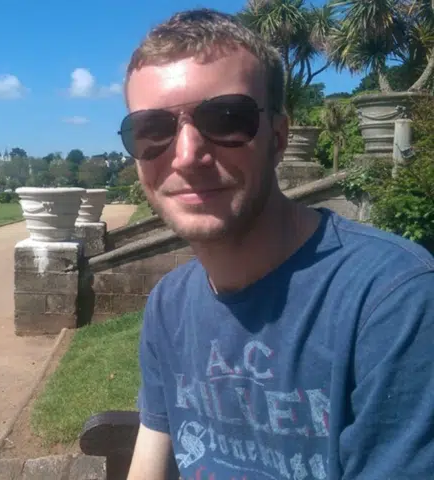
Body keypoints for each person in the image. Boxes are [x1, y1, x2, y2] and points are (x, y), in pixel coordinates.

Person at [119, 8, 434, 480]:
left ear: (279, 137)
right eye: (152, 130)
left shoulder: (393, 300)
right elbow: (153, 455)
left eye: (226, 118)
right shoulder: (169, 304)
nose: (186, 156)